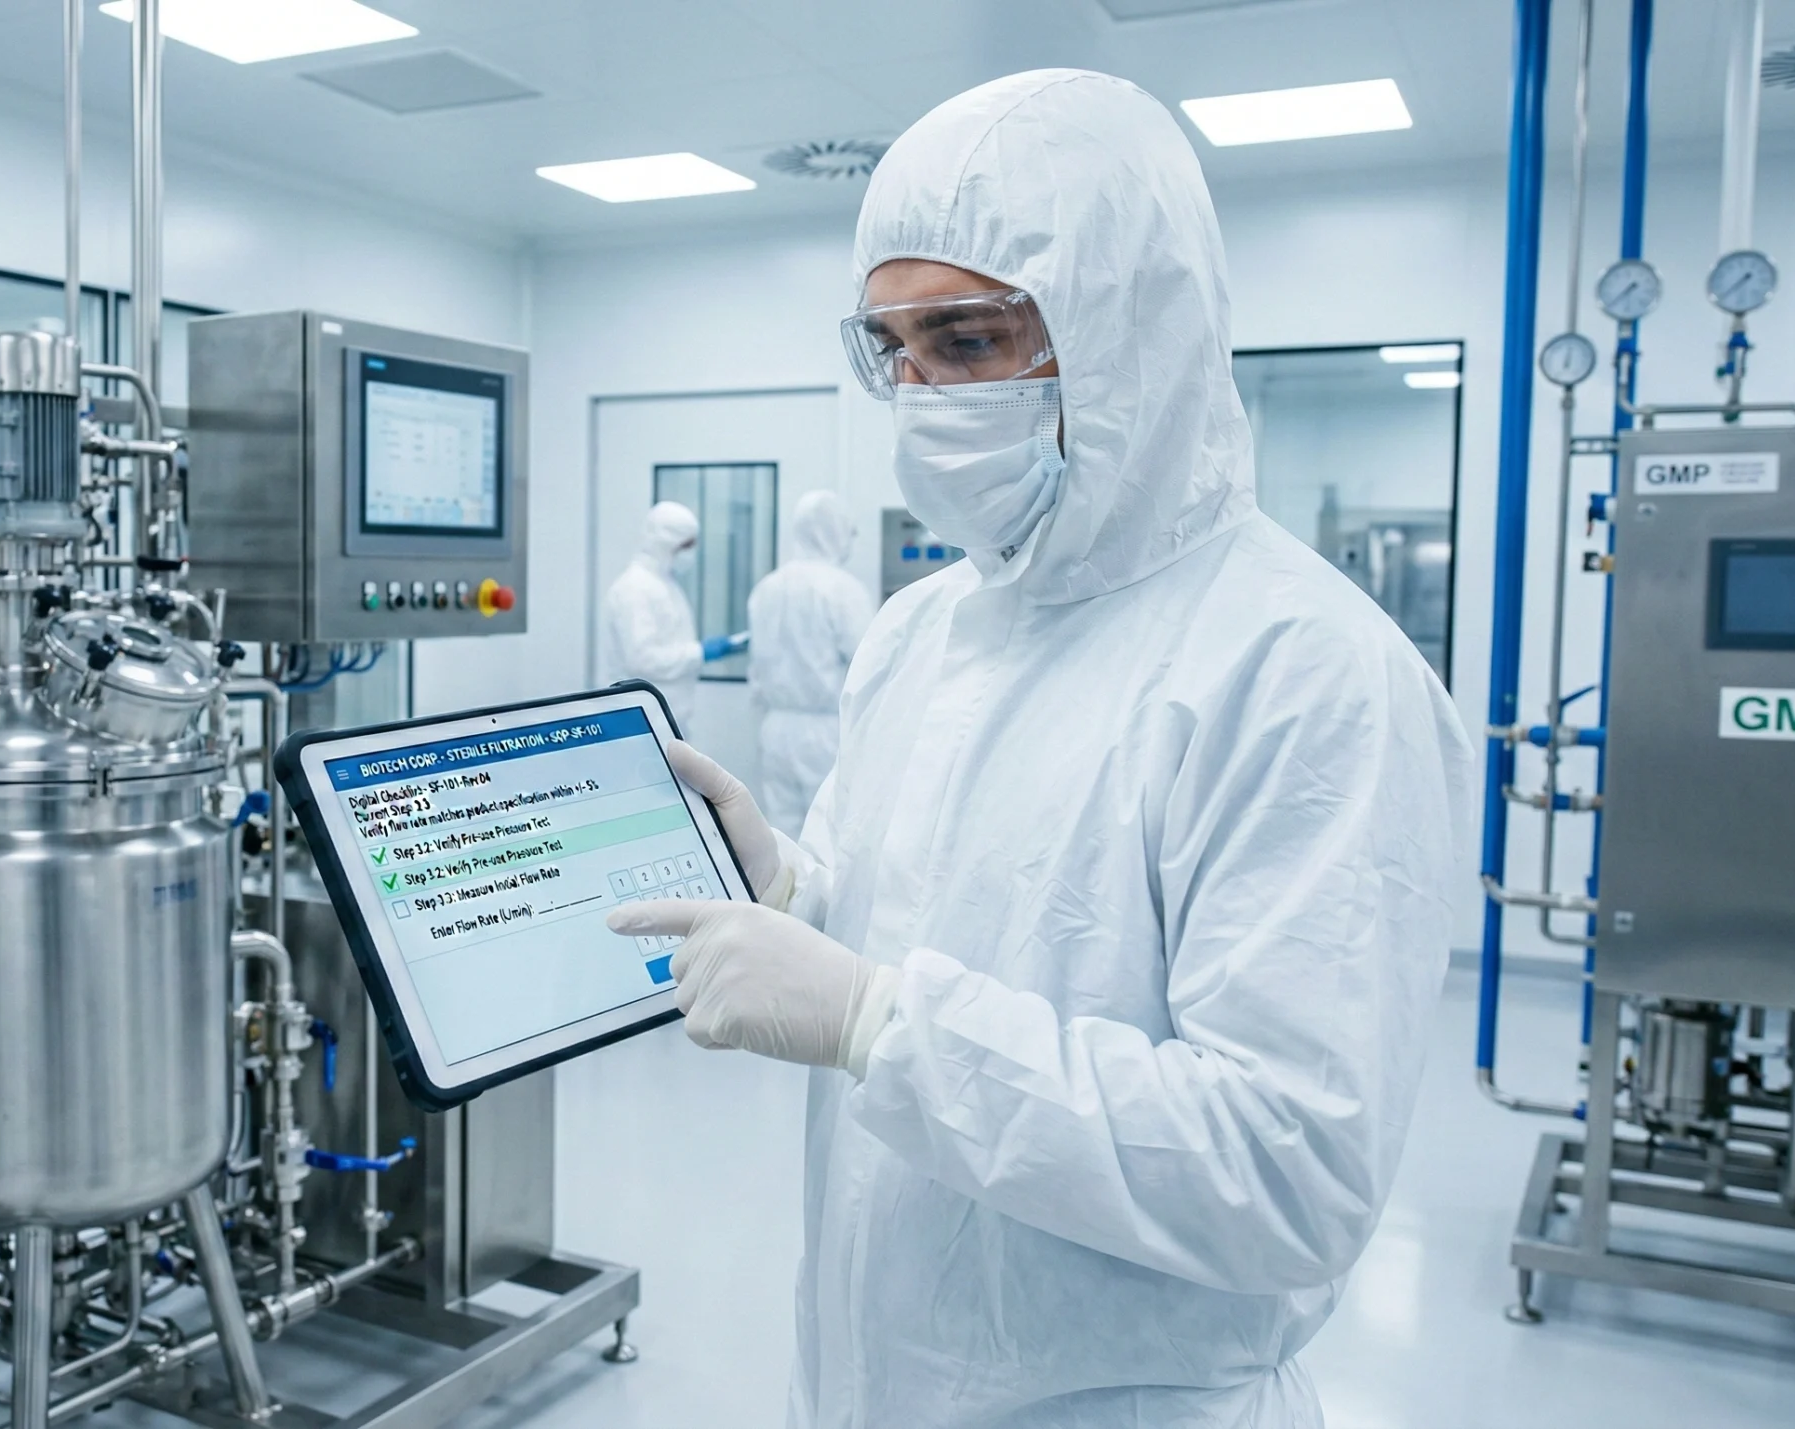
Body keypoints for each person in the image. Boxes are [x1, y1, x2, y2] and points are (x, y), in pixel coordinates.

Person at [607, 71, 1471, 1427]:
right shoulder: (924, 630)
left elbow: (1285, 1169)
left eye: (965, 340)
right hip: (873, 1371)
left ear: (1128, 329)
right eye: (892, 349)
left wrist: (877, 1024)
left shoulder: (1305, 669)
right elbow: (930, 921)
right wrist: (795, 891)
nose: (918, 392)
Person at [746, 491, 876, 837]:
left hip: (774, 727)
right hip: (826, 732)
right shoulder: (843, 589)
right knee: (829, 831)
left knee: (781, 832)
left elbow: (756, 667)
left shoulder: (766, 588)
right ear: (834, 530)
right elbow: (871, 662)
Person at [599, 500, 727, 728]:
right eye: (686, 545)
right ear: (667, 543)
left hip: (664, 719)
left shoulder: (664, 584)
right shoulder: (635, 588)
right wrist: (699, 653)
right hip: (641, 721)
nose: (690, 553)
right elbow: (643, 660)